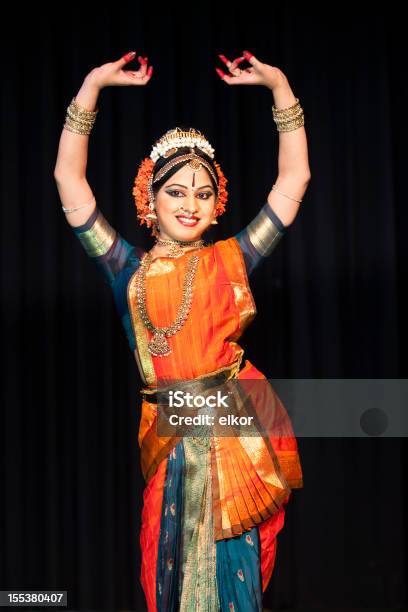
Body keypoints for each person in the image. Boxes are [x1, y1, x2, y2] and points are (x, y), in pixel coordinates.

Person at [54, 49, 310, 612]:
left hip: (233, 443)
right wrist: (92, 85)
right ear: (149, 198)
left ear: (218, 203)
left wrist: (280, 86)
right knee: (164, 572)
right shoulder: (126, 270)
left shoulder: (232, 260)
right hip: (169, 447)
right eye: (175, 191)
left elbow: (294, 179)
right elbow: (68, 180)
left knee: (236, 578)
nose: (189, 204)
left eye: (202, 193)